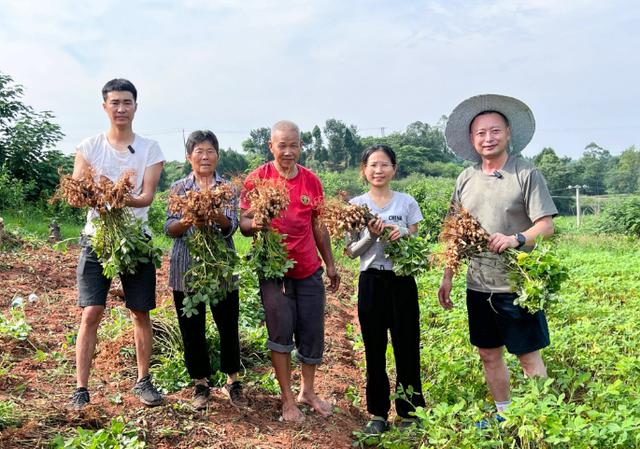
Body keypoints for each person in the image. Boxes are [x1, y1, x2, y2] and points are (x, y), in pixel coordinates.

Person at [438, 94, 558, 425]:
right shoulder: (466, 178)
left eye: (494, 131)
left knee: (527, 356)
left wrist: (517, 238)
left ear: (507, 133)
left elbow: (546, 224)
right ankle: (504, 416)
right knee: (489, 353)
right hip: (479, 285)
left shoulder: (526, 174)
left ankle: (539, 420)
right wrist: (448, 276)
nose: (487, 139)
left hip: (517, 284)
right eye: (480, 133)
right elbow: (455, 232)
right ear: (472, 139)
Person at [69, 79, 165, 410]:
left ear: (136, 107)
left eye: (127, 102)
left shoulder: (151, 149)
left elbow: (147, 196)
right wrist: (97, 195)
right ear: (105, 107)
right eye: (115, 102)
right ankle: (81, 388)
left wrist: (120, 196)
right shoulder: (89, 147)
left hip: (135, 242)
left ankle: (143, 380)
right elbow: (78, 192)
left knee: (140, 312)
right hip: (97, 240)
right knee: (91, 311)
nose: (121, 108)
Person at [239, 120, 340, 422]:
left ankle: (307, 391)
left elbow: (319, 226)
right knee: (280, 334)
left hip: (308, 269)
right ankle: (287, 400)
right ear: (271, 146)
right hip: (274, 271)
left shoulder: (311, 181)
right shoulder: (257, 178)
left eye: (293, 145)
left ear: (301, 146)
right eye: (281, 145)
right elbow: (243, 224)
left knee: (312, 333)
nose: (288, 151)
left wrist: (331, 264)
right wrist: (254, 223)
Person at [346, 145, 426, 435]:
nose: (378, 170)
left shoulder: (406, 203)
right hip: (371, 282)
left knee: (407, 348)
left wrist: (403, 233)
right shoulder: (355, 205)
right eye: (372, 165)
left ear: (394, 168)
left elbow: (418, 241)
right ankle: (377, 414)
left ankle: (409, 413)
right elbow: (351, 251)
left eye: (384, 165)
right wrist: (370, 235)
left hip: (402, 281)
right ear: (363, 170)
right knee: (374, 350)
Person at [164, 130, 243, 410]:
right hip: (187, 268)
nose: (205, 156)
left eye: (210, 151)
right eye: (199, 151)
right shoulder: (178, 189)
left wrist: (215, 215)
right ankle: (200, 382)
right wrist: (189, 219)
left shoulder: (229, 189)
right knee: (191, 327)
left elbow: (232, 226)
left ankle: (233, 379)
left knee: (228, 323)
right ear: (189, 157)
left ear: (217, 155)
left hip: (220, 267)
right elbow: (169, 228)